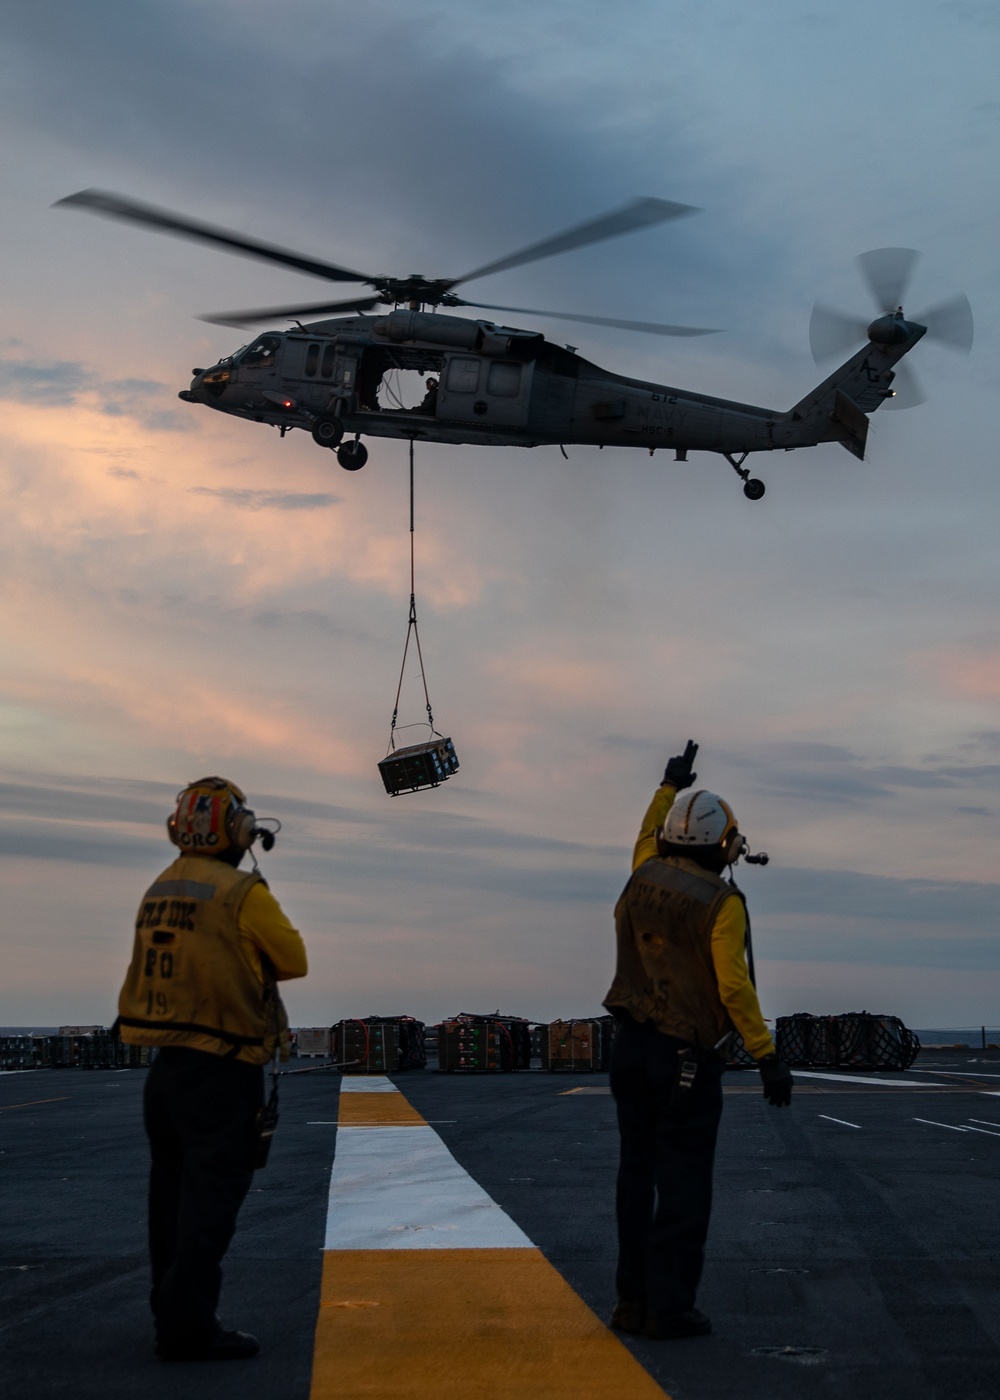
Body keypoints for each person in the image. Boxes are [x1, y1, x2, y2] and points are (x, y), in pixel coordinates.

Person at [603, 743, 792, 1341]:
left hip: (628, 1049)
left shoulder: (642, 873)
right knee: (683, 1185)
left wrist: (667, 785)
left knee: (635, 1178)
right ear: (722, 845)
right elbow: (734, 987)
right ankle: (670, 1307)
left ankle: (630, 1302)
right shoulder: (721, 903)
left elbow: (643, 834)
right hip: (684, 1060)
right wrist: (767, 1057)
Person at [117, 776, 308, 1362]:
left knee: (170, 1201)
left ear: (179, 829)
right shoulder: (239, 891)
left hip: (166, 1070)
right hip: (222, 1069)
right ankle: (189, 1328)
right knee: (211, 1202)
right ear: (236, 830)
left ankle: (169, 1311)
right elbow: (293, 960)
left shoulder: (159, 888)